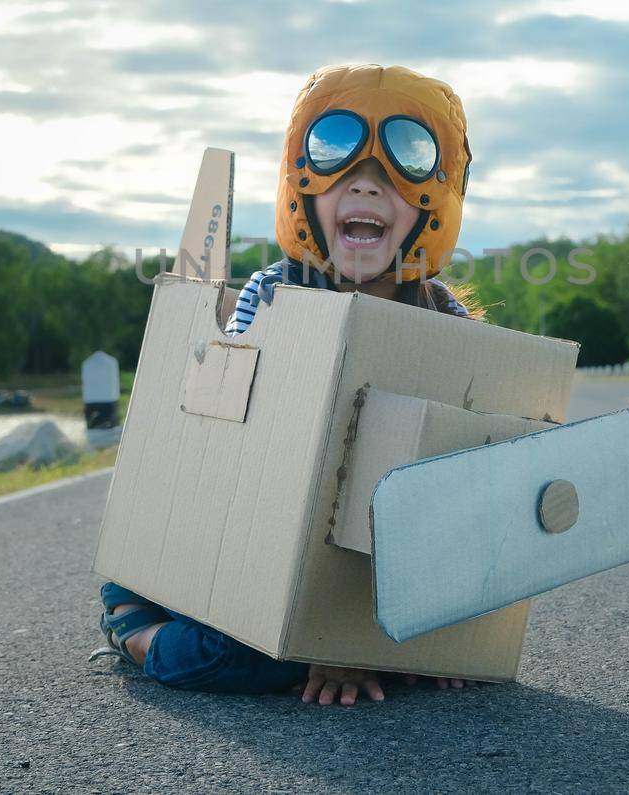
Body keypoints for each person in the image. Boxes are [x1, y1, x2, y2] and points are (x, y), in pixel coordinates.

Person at [95, 63, 483, 705]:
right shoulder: (273, 295)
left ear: (432, 203)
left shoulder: (444, 320)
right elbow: (245, 456)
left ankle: (364, 640)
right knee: (238, 659)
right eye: (347, 183)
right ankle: (133, 625)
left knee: (432, 648)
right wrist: (322, 637)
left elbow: (463, 466)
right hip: (246, 535)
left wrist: (439, 625)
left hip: (364, 561)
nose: (364, 195)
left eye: (388, 185)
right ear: (303, 194)